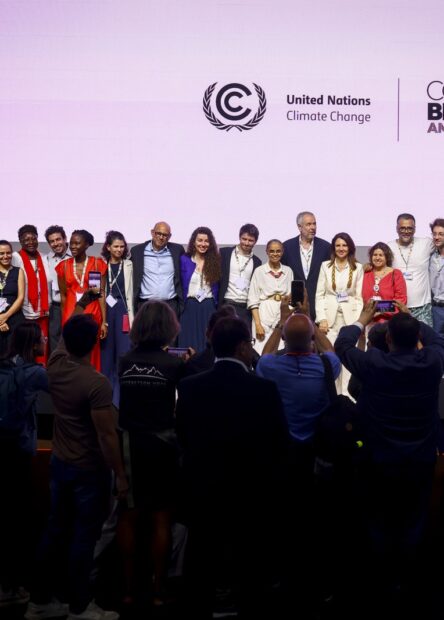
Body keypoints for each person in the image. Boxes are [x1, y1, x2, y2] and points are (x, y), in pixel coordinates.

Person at [176, 317, 289, 619]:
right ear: (242, 347)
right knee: (248, 565)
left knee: (202, 562)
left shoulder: (189, 387)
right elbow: (278, 441)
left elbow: (183, 436)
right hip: (249, 494)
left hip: (204, 491)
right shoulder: (264, 389)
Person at [334, 302, 444, 609]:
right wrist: (408, 317)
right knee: (414, 520)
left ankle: (381, 582)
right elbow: (437, 339)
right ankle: (408, 580)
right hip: (420, 459)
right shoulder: (432, 363)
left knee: (379, 520)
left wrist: (362, 319)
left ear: (389, 339)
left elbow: (342, 345)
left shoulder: (375, 364)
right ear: (416, 338)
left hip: (380, 460)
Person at [26, 291, 127, 620]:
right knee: (84, 537)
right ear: (95, 343)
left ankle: (39, 601)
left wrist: (83, 302)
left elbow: (68, 330)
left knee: (55, 531)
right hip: (88, 468)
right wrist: (120, 475)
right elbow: (106, 436)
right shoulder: (96, 383)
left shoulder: (55, 365)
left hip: (60, 463)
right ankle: (80, 605)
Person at [256, 296, 342, 613]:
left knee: (283, 520)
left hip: (285, 454)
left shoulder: (271, 367)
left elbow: (263, 357)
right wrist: (309, 320)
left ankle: (281, 580)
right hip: (317, 454)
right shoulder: (325, 366)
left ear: (284, 338)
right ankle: (318, 584)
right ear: (310, 340)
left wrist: (281, 323)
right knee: (318, 522)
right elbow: (331, 350)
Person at [118, 301, 186, 608]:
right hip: (163, 444)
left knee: (129, 516)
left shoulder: (125, 361)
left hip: (130, 444)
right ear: (168, 328)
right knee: (161, 516)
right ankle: (159, 590)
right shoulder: (174, 365)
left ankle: (128, 590)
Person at [0, 323, 48, 607]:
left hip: (2, 446)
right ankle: (13, 586)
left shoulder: (4, 367)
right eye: (42, 338)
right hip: (18, 450)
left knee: (6, 517)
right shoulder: (35, 373)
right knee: (19, 518)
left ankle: (6, 584)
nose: (45, 340)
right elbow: (61, 389)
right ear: (33, 344)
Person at [315, 232, 363, 394]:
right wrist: (321, 318)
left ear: (350, 247)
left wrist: (357, 322)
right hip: (329, 320)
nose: (341, 248)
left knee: (348, 359)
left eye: (344, 245)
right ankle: (333, 397)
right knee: (331, 358)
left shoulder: (358, 268)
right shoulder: (325, 266)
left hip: (350, 319)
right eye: (338, 245)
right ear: (333, 248)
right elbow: (319, 295)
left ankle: (348, 398)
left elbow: (359, 297)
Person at [56, 230, 107, 372]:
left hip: (92, 314)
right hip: (71, 314)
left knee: (92, 352)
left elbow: (99, 294)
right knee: (70, 353)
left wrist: (104, 321)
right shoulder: (64, 266)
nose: (73, 246)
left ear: (87, 245)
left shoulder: (95, 264)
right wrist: (64, 320)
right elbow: (63, 296)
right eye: (71, 243)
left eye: (77, 243)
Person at [100, 231, 134, 407]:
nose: (119, 249)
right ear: (108, 247)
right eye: (116, 246)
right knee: (106, 353)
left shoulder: (129, 265)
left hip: (123, 311)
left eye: (122, 246)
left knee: (123, 353)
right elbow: (98, 291)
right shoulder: (101, 265)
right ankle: (105, 398)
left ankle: (121, 399)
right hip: (106, 310)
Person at [178, 227, 221, 353]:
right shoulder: (184, 259)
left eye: (206, 241)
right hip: (189, 306)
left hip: (208, 306)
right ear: (194, 242)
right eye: (200, 240)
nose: (203, 244)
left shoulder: (216, 260)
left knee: (207, 342)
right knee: (188, 341)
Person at [12, 225, 50, 365]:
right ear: (20, 241)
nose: (31, 242)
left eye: (33, 238)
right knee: (26, 346)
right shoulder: (15, 258)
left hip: (43, 311)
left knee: (41, 343)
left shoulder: (44, 258)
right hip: (23, 311)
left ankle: (41, 371)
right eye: (26, 239)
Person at [281, 212, 331, 320]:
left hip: (318, 306)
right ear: (299, 227)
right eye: (308, 224)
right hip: (294, 306)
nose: (313, 227)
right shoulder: (287, 247)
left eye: (314, 224)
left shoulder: (326, 247)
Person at [247, 239, 293, 354]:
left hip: (282, 311)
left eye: (278, 251)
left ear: (282, 252)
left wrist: (288, 317)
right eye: (272, 251)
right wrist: (258, 324)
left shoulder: (288, 271)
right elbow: (253, 299)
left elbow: (291, 297)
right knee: (261, 349)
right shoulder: (259, 271)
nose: (275, 254)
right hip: (264, 312)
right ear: (267, 252)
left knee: (282, 348)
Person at [388, 213, 433, 325]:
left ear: (415, 229)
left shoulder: (426, 243)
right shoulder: (389, 247)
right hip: (398, 306)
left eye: (410, 228)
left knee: (425, 336)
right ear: (397, 228)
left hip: (423, 307)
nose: (406, 231)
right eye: (402, 228)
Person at [130, 221, 184, 316]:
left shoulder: (177, 250)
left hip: (170, 305)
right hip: (146, 305)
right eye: (158, 233)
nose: (161, 237)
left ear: (169, 236)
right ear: (152, 232)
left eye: (165, 235)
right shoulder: (137, 251)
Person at [218, 223, 261, 326]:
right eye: (244, 239)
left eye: (250, 240)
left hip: (245, 308)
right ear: (239, 237)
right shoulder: (224, 253)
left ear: (255, 241)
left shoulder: (257, 262)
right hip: (226, 304)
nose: (246, 243)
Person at [362, 242, 407, 322]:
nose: (377, 258)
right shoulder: (365, 273)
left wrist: (379, 311)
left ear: (387, 257)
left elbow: (400, 300)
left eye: (381, 255)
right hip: (367, 321)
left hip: (389, 322)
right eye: (375, 255)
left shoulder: (395, 274)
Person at [44, 225, 71, 354]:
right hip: (55, 308)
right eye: (52, 241)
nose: (56, 243)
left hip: (73, 306)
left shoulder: (76, 255)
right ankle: (57, 366)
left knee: (73, 340)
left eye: (58, 239)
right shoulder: (46, 259)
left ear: (65, 239)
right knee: (55, 341)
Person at [0, 240, 25, 356]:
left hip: (15, 318)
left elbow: (20, 298)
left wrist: (5, 316)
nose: (5, 256)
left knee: (16, 356)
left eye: (8, 253)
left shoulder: (18, 271)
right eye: (1, 253)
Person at [429, 218, 444, 335]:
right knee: (438, 341)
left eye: (441, 234)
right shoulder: (430, 257)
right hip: (437, 309)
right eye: (434, 234)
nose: (436, 237)